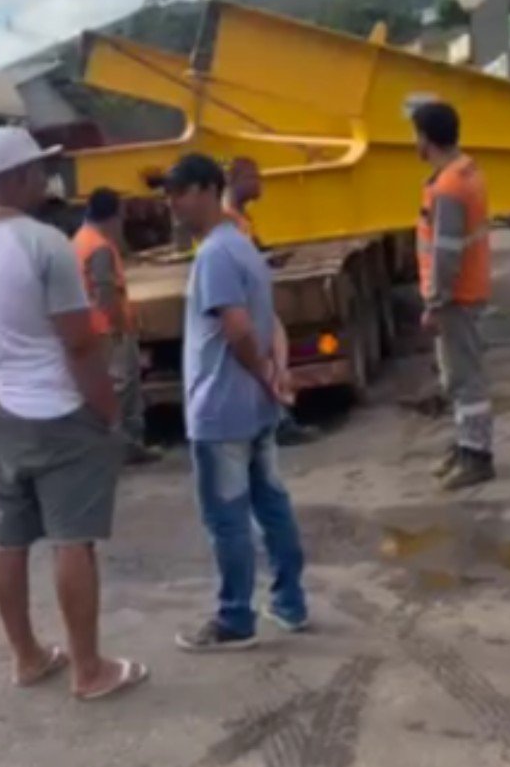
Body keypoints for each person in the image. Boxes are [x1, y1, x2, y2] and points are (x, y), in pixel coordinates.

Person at [0, 126, 148, 700]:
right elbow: (79, 342)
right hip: (59, 410)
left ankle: (28, 657)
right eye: (39, 169)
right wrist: (109, 410)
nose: (47, 178)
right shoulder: (45, 244)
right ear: (18, 177)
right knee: (73, 541)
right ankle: (88, 670)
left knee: (9, 538)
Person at [163, 153, 309, 652]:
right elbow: (272, 323)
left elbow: (239, 328)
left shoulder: (215, 255)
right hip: (253, 408)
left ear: (206, 189)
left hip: (221, 411)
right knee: (271, 504)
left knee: (227, 517)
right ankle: (290, 603)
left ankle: (234, 619)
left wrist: (266, 375)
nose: (173, 206)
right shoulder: (243, 246)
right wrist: (275, 374)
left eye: (178, 194)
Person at [410, 101, 495, 491]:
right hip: (467, 293)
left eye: (416, 134)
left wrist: (434, 302)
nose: (415, 142)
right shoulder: (465, 172)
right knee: (458, 378)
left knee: (465, 380)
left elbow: (445, 253)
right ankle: (466, 446)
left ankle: (476, 455)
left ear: (427, 138)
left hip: (457, 297)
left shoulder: (449, 187)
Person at [224, 157, 320, 448]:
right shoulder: (230, 220)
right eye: (254, 177)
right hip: (246, 304)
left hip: (253, 301)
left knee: (271, 357)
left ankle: (277, 419)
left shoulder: (240, 218)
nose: (259, 183)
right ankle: (279, 422)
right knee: (268, 359)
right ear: (237, 180)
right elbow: (239, 262)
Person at [73, 187, 161, 465]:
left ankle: (113, 444)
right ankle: (127, 446)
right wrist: (122, 328)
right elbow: (106, 292)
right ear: (112, 216)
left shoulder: (79, 240)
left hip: (92, 328)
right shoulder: (99, 246)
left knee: (110, 388)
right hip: (109, 331)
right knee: (125, 388)